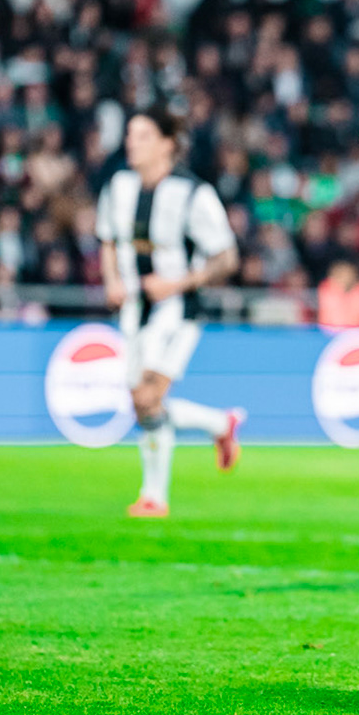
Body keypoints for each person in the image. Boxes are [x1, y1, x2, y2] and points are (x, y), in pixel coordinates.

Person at [96, 106, 245, 518]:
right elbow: (107, 239)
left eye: (142, 135)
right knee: (142, 403)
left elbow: (226, 257)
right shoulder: (119, 186)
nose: (131, 142)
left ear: (166, 144)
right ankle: (219, 424)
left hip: (176, 310)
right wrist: (111, 278)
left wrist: (177, 284)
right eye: (129, 134)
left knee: (146, 396)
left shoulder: (194, 193)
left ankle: (153, 497)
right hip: (134, 310)